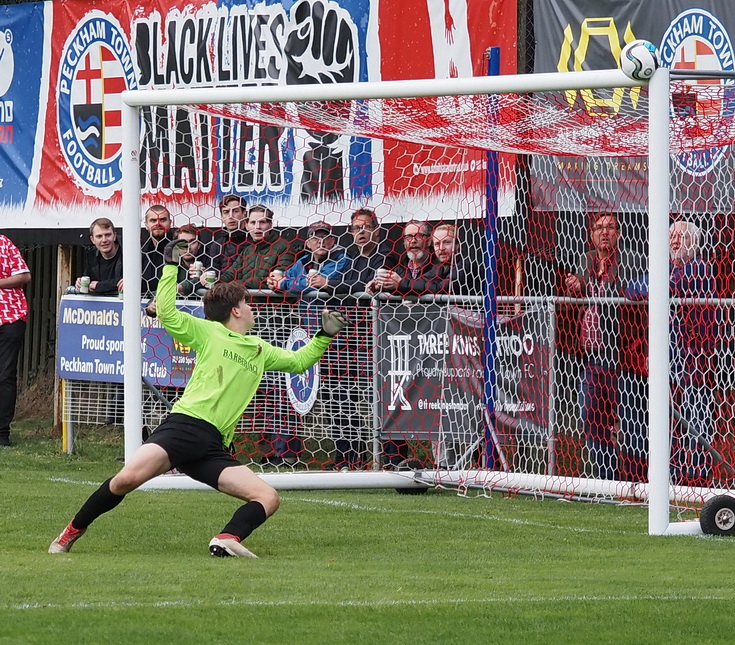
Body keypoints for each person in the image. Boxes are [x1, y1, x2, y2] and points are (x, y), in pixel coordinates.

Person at [49, 238, 348, 557]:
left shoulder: (260, 349)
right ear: (236, 310)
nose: (252, 307)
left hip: (212, 445)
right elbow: (165, 311)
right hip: (185, 428)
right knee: (125, 480)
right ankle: (68, 534)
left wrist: (324, 335)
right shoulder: (209, 332)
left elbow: (299, 361)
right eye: (248, 303)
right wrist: (170, 265)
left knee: (268, 497)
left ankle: (227, 538)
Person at [625, 220, 719, 486]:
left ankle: (698, 478)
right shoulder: (667, 268)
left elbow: (667, 288)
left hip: (694, 357)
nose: (674, 241)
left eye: (680, 236)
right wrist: (655, 285)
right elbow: (633, 288)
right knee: (670, 419)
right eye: (671, 236)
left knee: (695, 418)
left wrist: (656, 286)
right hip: (669, 356)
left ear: (693, 242)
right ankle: (673, 476)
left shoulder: (699, 267)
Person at [564, 213, 642, 481]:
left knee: (630, 421)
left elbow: (629, 294)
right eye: (599, 228)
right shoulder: (584, 260)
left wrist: (586, 284)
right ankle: (608, 477)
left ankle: (635, 481)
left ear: (619, 233)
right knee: (591, 417)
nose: (604, 232)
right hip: (591, 356)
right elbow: (575, 298)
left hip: (623, 355)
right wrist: (573, 287)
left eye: (610, 227)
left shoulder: (633, 260)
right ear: (592, 234)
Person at [267, 221, 350, 467]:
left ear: (333, 241)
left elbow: (328, 281)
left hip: (337, 340)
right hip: (306, 340)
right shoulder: (300, 263)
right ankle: (286, 454)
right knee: (293, 393)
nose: (321, 242)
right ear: (308, 242)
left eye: (325, 238)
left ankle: (345, 458)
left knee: (339, 400)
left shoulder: (342, 260)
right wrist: (284, 283)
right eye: (315, 238)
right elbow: (284, 283)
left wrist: (289, 284)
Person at [219, 205, 299, 289]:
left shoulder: (284, 247)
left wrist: (234, 286)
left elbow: (276, 281)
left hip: (272, 301)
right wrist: (214, 281)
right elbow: (230, 274)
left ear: (270, 224)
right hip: (246, 301)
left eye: (262, 222)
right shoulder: (248, 250)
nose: (257, 227)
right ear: (246, 225)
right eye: (253, 223)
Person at [0, 234, 31, 447]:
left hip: (10, 318)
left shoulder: (4, 242)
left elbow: (24, 276)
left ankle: (2, 433)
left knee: (4, 375)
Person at [366, 220, 436, 297]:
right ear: (404, 243)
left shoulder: (438, 267)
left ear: (429, 241)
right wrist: (379, 286)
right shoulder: (399, 269)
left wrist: (401, 283)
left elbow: (433, 287)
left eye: (419, 235)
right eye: (408, 237)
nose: (413, 241)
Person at [74, 218, 123, 296]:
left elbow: (130, 281)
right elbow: (89, 280)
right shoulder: (91, 257)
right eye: (99, 236)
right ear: (92, 240)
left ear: (114, 236)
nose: (104, 240)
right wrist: (81, 283)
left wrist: (100, 286)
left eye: (108, 235)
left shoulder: (128, 253)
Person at [141, 204, 175, 296]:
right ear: (146, 225)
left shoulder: (178, 248)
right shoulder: (141, 250)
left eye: (163, 220)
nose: (158, 224)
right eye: (153, 220)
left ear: (170, 223)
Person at [211, 194, 249, 274]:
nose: (231, 216)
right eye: (226, 212)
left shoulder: (254, 241)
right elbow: (213, 270)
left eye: (235, 211)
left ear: (244, 214)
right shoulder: (217, 245)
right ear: (222, 217)